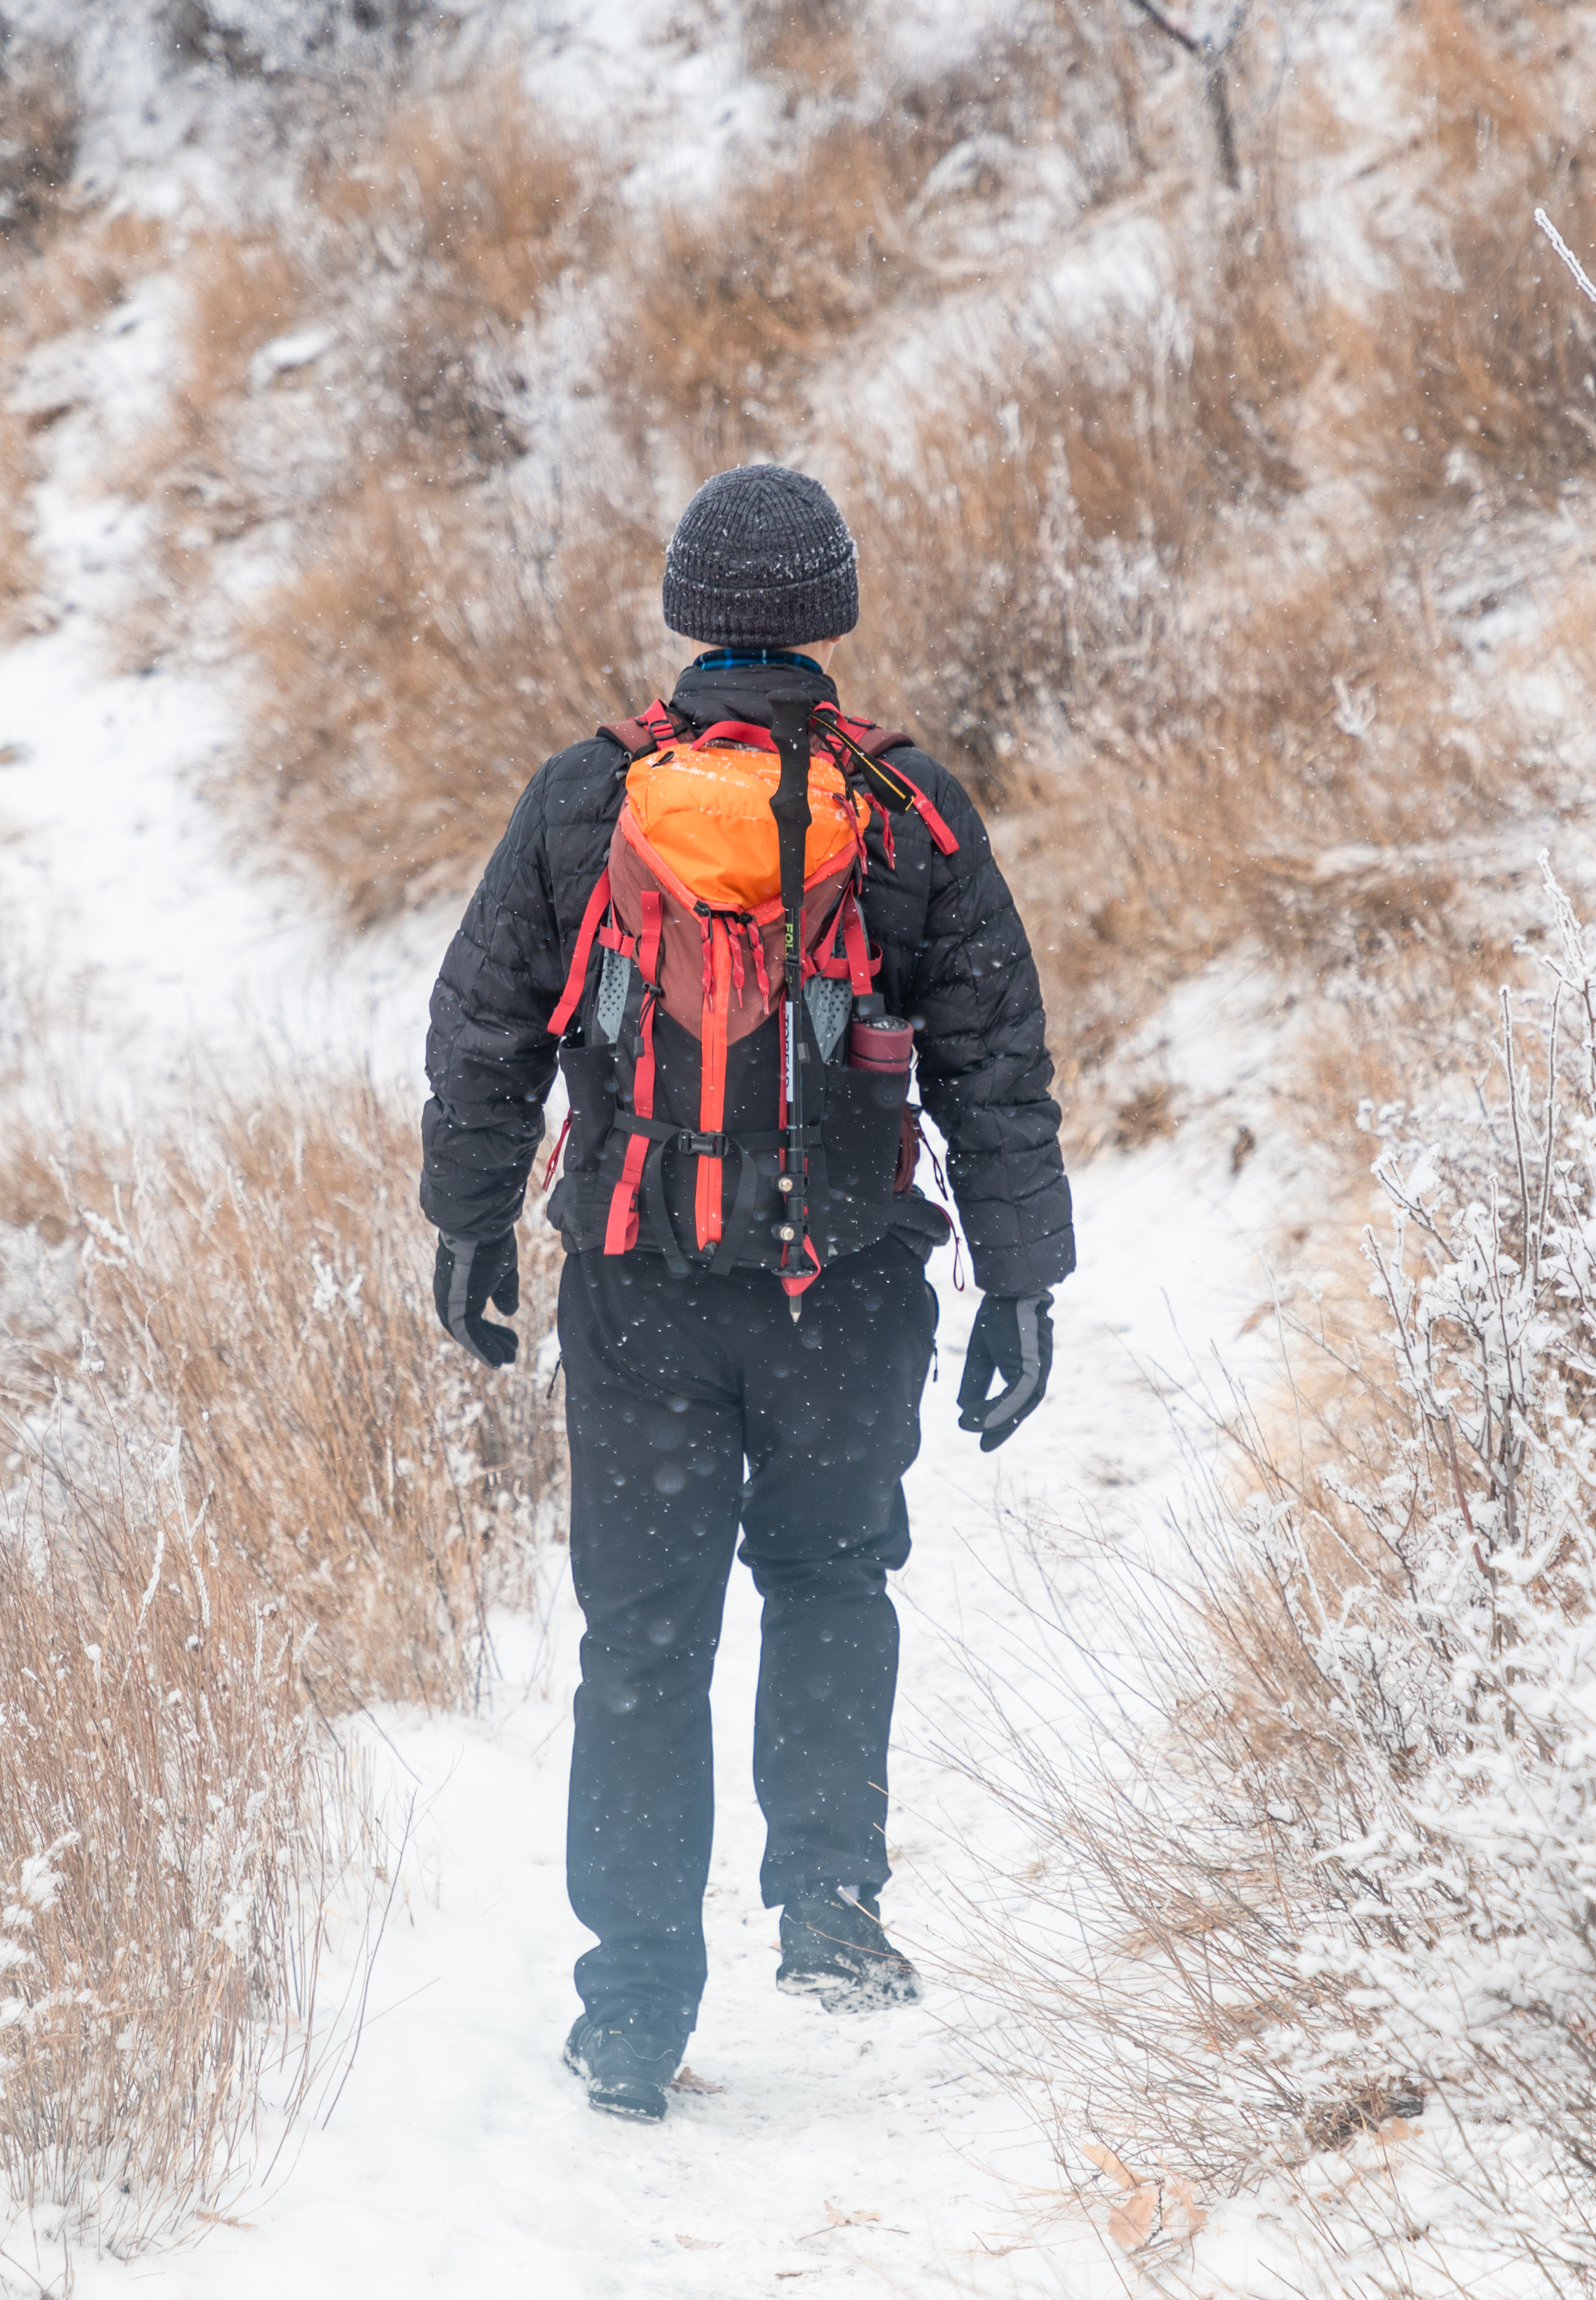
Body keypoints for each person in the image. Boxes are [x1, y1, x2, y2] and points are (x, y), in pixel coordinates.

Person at [418, 462, 1072, 2123]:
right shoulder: (914, 816)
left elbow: (486, 1030)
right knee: (834, 1579)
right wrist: (1019, 1280)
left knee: (644, 1638)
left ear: (688, 613)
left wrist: (474, 1225)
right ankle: (833, 1911)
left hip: (639, 1289)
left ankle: (635, 2001)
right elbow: (995, 1067)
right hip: (844, 1290)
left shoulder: (585, 804)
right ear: (832, 614)